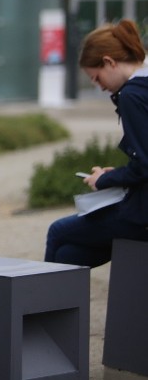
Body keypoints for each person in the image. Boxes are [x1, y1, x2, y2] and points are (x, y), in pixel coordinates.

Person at [44, 19, 148, 268]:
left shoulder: (132, 95)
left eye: (97, 77)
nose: (99, 86)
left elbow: (145, 164)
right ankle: (56, 303)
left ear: (110, 62)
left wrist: (103, 180)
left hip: (141, 217)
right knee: (69, 254)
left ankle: (41, 305)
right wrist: (120, 174)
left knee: (57, 231)